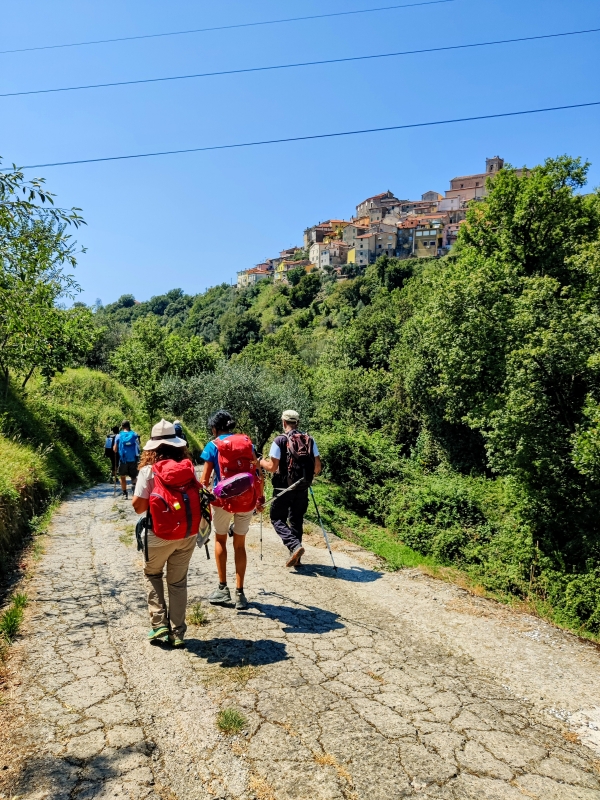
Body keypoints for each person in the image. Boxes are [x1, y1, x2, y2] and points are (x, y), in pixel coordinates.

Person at [132, 419, 199, 647]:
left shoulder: (148, 471)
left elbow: (138, 507)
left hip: (158, 534)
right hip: (187, 533)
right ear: (178, 444)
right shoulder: (188, 467)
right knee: (178, 582)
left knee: (152, 574)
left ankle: (159, 623)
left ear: (152, 447)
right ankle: (178, 633)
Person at [200, 410, 264, 611]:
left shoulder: (213, 446)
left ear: (214, 428)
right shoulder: (247, 443)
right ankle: (240, 594)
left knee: (220, 540)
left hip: (222, 502)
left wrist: (203, 500)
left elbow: (204, 481)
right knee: (240, 545)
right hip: (246, 500)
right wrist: (259, 498)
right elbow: (258, 473)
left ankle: (222, 588)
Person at [260, 410, 321, 567]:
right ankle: (296, 557)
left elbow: (272, 468)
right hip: (302, 487)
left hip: (283, 488)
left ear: (283, 422)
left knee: (276, 518)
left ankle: (294, 546)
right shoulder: (309, 440)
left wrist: (260, 461)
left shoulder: (279, 440)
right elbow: (318, 468)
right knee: (296, 520)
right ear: (297, 423)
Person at [113, 420, 139, 500]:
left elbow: (115, 449)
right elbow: (138, 447)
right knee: (134, 476)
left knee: (122, 477)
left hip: (123, 459)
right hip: (133, 459)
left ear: (122, 426)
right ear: (129, 425)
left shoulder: (118, 436)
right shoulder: (134, 434)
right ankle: (134, 489)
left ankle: (125, 494)